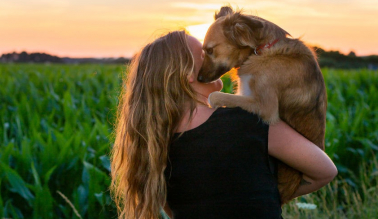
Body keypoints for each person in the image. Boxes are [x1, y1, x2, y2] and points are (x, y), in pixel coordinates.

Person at [110, 30, 337, 219]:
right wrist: (267, 195)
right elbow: (324, 171)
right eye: (204, 53)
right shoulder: (250, 120)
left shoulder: (154, 144)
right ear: (188, 73)